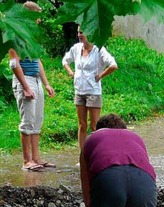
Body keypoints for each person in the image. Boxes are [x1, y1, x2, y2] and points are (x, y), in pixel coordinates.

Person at [9, 1, 56, 172]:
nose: (39, 21)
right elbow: (14, 64)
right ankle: (26, 160)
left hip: (35, 79)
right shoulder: (16, 35)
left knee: (37, 121)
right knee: (27, 121)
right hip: (25, 80)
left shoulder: (32, 36)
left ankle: (36, 158)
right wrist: (25, 87)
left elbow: (38, 61)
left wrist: (47, 83)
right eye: (37, 17)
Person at [62, 26, 118, 152]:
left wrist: (100, 76)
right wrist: (71, 72)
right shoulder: (76, 48)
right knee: (82, 125)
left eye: (81, 32)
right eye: (78, 32)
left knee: (95, 125)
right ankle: (83, 155)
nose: (79, 35)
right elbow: (65, 60)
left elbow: (113, 65)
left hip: (93, 92)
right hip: (79, 91)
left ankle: (100, 153)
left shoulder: (99, 49)